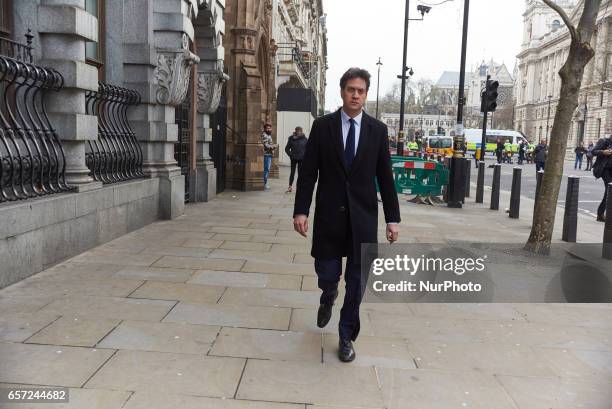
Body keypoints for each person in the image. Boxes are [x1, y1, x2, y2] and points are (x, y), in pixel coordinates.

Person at [293, 67, 400, 363]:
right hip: (329, 216)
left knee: (357, 282)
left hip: (363, 219)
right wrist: (301, 210)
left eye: (361, 91)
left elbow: (385, 177)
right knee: (328, 274)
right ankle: (328, 295)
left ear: (366, 94)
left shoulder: (377, 130)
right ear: (342, 92)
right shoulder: (322, 126)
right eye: (351, 89)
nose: (355, 95)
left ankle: (345, 335)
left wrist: (393, 219)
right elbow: (308, 173)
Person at [593, 134, 612, 222]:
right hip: (605, 170)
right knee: (610, 189)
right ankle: (601, 214)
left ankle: (600, 214)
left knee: (608, 192)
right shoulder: (604, 141)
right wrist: (603, 152)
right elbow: (593, 151)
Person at [284, 126, 308, 193]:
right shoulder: (291, 139)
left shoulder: (305, 139)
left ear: (302, 131)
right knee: (292, 173)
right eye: (297, 131)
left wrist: (305, 157)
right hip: (293, 158)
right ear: (295, 131)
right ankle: (290, 187)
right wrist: (291, 155)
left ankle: (299, 187)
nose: (299, 132)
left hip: (301, 159)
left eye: (300, 131)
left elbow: (308, 149)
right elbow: (286, 149)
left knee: (300, 174)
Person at [260, 123, 277, 190]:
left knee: (267, 169)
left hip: (268, 154)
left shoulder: (268, 135)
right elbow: (266, 145)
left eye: (270, 128)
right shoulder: (265, 135)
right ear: (265, 129)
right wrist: (273, 146)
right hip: (266, 154)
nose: (269, 129)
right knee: (266, 169)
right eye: (267, 128)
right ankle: (264, 183)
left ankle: (265, 183)